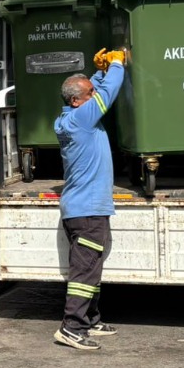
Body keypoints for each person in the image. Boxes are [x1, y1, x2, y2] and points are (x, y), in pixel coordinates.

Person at [52, 49, 127, 351]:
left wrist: (98, 72)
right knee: (85, 271)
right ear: (75, 101)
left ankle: (91, 319)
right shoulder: (82, 119)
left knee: (91, 266)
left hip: (81, 208)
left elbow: (94, 90)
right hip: (87, 211)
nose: (93, 95)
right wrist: (118, 63)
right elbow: (107, 94)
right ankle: (71, 327)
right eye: (88, 93)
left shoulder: (71, 118)